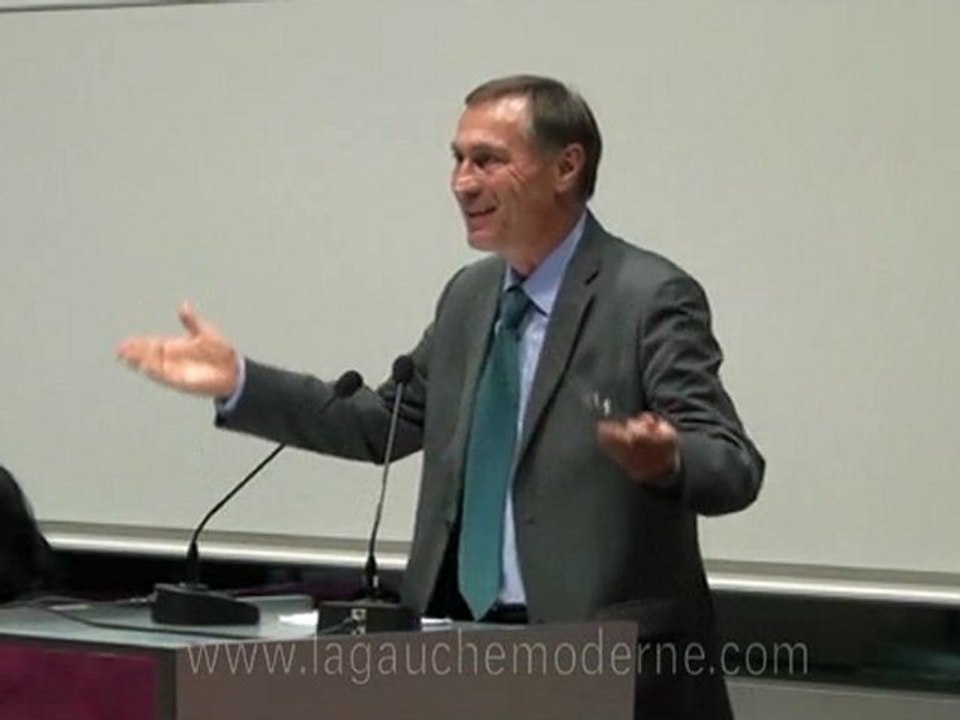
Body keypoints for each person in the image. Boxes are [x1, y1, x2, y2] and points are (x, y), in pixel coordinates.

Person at [118, 75, 763, 719]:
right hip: (451, 656)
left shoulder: (647, 296)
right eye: (457, 159)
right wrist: (241, 383)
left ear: (567, 166)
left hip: (602, 670)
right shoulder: (469, 298)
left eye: (488, 159)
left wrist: (669, 459)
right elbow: (380, 422)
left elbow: (733, 463)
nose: (462, 182)